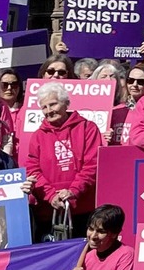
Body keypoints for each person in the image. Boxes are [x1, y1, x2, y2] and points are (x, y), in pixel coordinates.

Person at [22, 82, 103, 237]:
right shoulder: (38, 136)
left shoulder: (88, 128)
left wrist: (73, 190)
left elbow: (93, 164)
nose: (49, 111)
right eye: (44, 107)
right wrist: (50, 195)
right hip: (49, 210)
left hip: (83, 209)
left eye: (53, 104)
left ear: (66, 103)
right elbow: (32, 169)